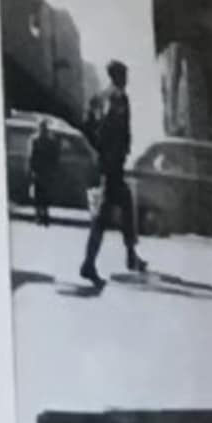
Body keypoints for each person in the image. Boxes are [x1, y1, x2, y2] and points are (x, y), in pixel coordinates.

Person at [73, 63, 143, 292]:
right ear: (117, 76)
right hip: (111, 167)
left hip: (112, 165)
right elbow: (98, 128)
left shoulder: (111, 97)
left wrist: (108, 150)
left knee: (123, 205)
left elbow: (92, 125)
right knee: (103, 217)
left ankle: (129, 255)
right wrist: (105, 152)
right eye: (124, 75)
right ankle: (90, 264)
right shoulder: (113, 99)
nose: (127, 78)